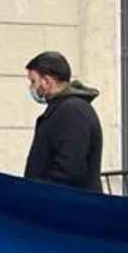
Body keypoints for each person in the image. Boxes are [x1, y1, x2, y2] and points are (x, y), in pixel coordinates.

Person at [23, 50, 104, 191]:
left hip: (69, 206)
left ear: (47, 81)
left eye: (33, 81)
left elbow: (70, 169)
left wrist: (40, 193)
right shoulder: (63, 109)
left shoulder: (72, 111)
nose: (32, 87)